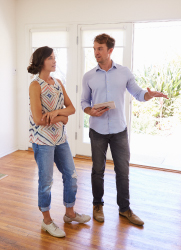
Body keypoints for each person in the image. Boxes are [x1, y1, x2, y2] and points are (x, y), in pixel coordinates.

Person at [81, 34, 168, 226]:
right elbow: (84, 102)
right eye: (94, 48)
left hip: (119, 130)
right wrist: (90, 111)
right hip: (97, 130)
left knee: (123, 171)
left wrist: (148, 95)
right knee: (97, 170)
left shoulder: (124, 72)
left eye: (100, 48)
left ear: (110, 50)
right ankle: (97, 205)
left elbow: (138, 93)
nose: (96, 52)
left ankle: (125, 209)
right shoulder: (88, 76)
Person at [28, 46, 91, 238]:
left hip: (60, 139)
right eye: (50, 58)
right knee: (46, 181)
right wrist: (62, 119)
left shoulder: (57, 82)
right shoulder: (35, 85)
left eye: (55, 58)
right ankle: (47, 220)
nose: (54, 61)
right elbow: (38, 118)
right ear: (41, 62)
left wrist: (56, 113)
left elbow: (71, 108)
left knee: (71, 175)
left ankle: (70, 213)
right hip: (42, 140)